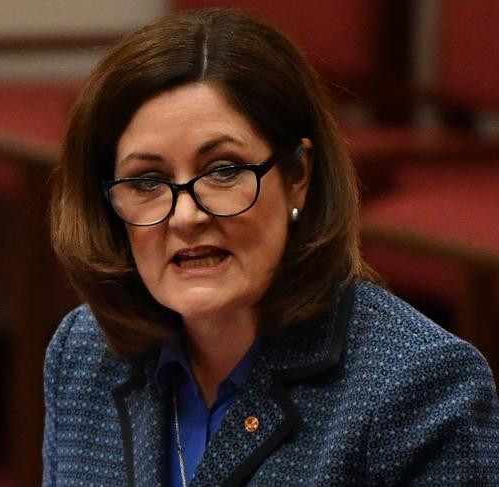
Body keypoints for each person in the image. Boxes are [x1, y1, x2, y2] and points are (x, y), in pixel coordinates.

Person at [43, 8, 499, 486]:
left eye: (224, 171)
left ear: (297, 176)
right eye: (147, 180)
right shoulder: (86, 351)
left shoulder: (417, 386)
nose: (186, 216)